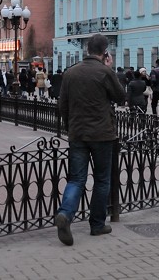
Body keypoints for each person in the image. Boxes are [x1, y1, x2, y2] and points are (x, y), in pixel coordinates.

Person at [55, 34, 125, 246]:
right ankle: (97, 224)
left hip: (78, 133)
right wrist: (110, 69)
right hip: (102, 134)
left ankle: (65, 214)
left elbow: (62, 106)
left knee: (76, 178)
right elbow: (121, 97)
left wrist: (70, 127)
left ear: (86, 50)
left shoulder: (70, 73)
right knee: (102, 179)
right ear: (105, 52)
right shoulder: (105, 72)